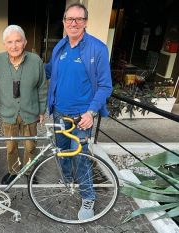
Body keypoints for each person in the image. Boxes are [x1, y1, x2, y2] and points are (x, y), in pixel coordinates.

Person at [45, 3, 113, 220]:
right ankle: (67, 181)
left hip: (80, 118)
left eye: (78, 19)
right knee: (62, 153)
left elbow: (105, 86)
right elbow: (49, 71)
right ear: (64, 22)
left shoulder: (97, 48)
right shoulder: (60, 47)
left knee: (81, 157)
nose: (73, 23)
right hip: (58, 114)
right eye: (69, 19)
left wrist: (91, 112)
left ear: (86, 22)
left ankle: (88, 196)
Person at [0, 25, 47, 185]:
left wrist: (42, 110)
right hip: (8, 113)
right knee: (11, 147)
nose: (14, 46)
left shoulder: (36, 61)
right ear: (4, 44)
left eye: (18, 41)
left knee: (30, 146)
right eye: (10, 42)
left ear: (25, 42)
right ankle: (13, 171)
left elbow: (42, 87)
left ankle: (29, 171)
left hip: (30, 113)